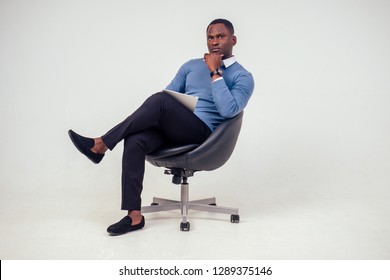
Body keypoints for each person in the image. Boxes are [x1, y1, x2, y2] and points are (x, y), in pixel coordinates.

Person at [68, 18, 254, 236]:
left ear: (233, 39)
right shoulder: (191, 66)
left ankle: (101, 144)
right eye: (210, 37)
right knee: (136, 138)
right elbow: (169, 96)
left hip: (204, 136)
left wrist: (215, 72)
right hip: (176, 128)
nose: (214, 42)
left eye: (220, 37)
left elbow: (229, 110)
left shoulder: (243, 77)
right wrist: (175, 109)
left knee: (158, 100)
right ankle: (134, 216)